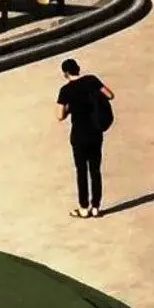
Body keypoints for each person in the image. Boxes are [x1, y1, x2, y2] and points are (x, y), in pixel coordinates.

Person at [57, 58, 114, 217]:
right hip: (95, 132)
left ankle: (83, 207)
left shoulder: (65, 91)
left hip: (79, 135)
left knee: (81, 171)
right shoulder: (91, 80)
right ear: (78, 69)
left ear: (65, 74)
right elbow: (110, 95)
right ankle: (96, 207)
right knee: (95, 170)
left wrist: (70, 108)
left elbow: (59, 116)